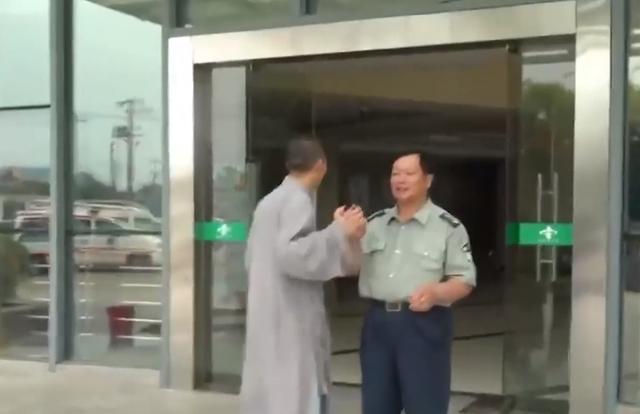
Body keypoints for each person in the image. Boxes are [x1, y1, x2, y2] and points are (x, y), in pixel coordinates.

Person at [240, 135, 366, 414]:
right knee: (298, 393)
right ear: (321, 165)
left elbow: (255, 256)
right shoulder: (298, 200)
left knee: (271, 394)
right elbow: (292, 254)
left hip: (269, 312)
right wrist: (338, 232)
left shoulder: (268, 202)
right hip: (292, 317)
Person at [357, 152, 476, 414]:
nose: (400, 179)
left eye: (409, 173)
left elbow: (464, 280)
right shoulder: (374, 224)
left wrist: (437, 292)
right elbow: (348, 265)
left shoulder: (448, 227)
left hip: (424, 324)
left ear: (428, 180)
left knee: (425, 405)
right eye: (395, 173)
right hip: (378, 324)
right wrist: (344, 235)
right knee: (376, 405)